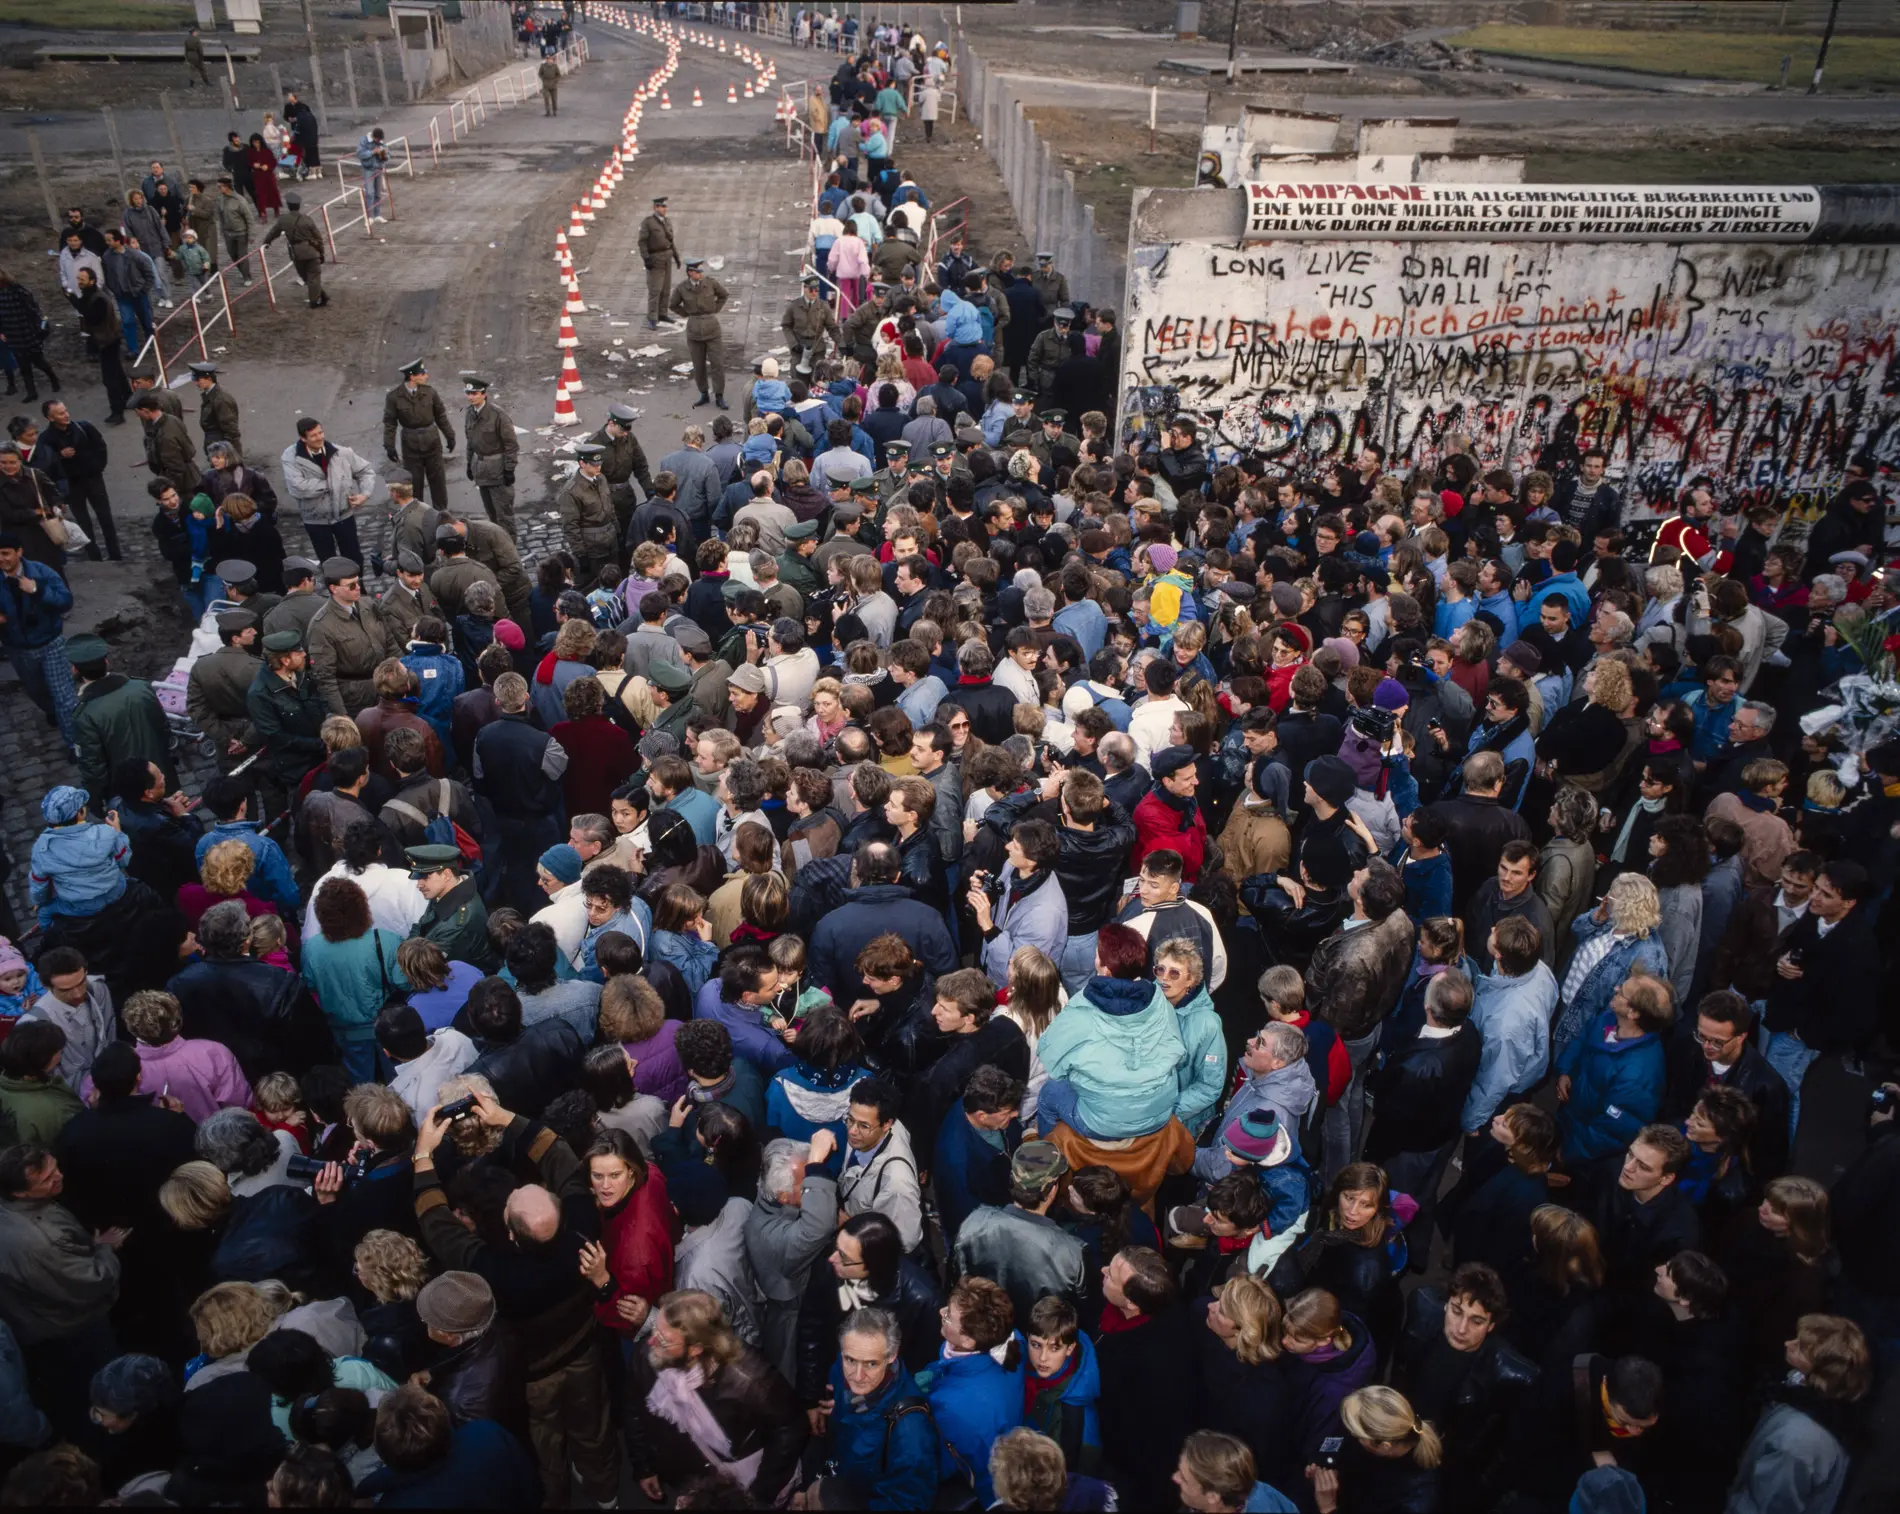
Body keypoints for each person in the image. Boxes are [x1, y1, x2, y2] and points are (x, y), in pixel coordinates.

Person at [622, 1289, 808, 1505]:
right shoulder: (645, 1356)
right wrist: (644, 1467)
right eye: (655, 1329)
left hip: (740, 1479)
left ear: (695, 1350)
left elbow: (790, 1428)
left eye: (664, 1340)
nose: (652, 1342)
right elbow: (634, 1409)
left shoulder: (750, 1380)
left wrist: (757, 1496)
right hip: (687, 1474)